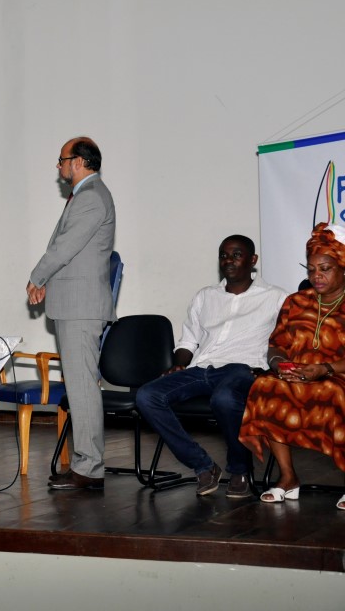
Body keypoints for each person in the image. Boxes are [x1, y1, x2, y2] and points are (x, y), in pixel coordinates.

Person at [135, 235, 287, 497]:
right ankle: (203, 465)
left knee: (225, 398)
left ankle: (240, 470)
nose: (228, 260)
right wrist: (179, 365)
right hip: (201, 368)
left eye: (236, 255)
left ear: (253, 260)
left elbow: (285, 342)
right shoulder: (205, 296)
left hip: (243, 369)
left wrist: (272, 369)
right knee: (147, 395)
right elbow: (189, 340)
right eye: (223, 255)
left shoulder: (276, 297)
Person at [28, 137, 116, 491]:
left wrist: (37, 276)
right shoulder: (86, 195)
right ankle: (85, 463)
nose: (59, 165)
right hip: (74, 305)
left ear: (78, 162)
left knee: (82, 389)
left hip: (81, 307)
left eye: (62, 159)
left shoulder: (91, 197)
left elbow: (65, 247)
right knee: (79, 387)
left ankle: (89, 468)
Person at [239, 222, 345, 510]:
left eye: (325, 269)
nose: (316, 276)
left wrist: (324, 369)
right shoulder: (296, 302)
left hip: (338, 376)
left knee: (334, 394)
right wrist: (279, 365)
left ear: (342, 267)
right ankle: (288, 477)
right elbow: (276, 344)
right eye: (311, 270)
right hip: (299, 374)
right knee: (265, 386)